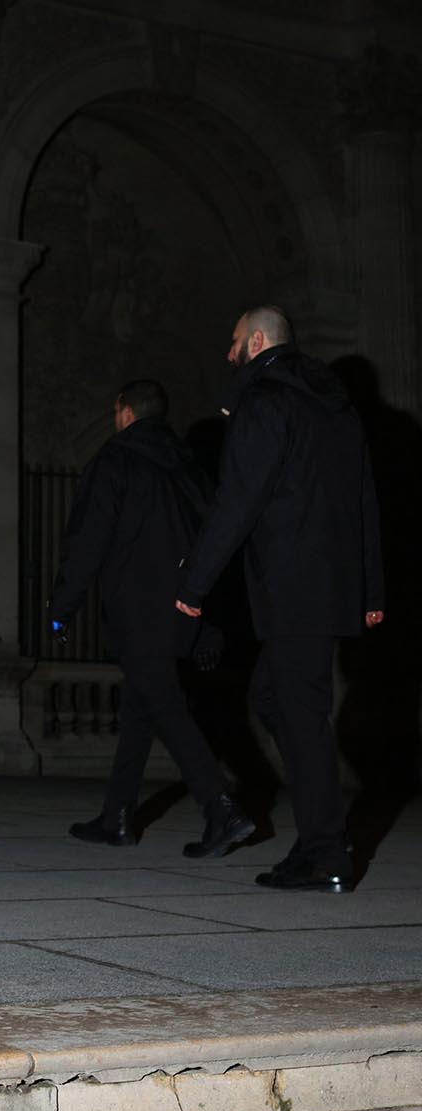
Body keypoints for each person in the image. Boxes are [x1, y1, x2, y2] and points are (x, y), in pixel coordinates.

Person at [176, 306, 384, 892]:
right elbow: (364, 498)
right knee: (276, 698)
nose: (229, 353)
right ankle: (324, 835)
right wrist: (370, 587)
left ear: (259, 341)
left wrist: (194, 584)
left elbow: (237, 501)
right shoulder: (335, 408)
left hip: (295, 588)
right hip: (329, 585)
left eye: (235, 340)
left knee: (300, 713)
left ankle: (326, 854)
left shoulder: (267, 403)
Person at [48, 380, 254, 857]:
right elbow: (214, 543)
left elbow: (87, 542)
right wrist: (209, 621)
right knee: (141, 711)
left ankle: (221, 808)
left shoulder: (115, 461)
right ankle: (117, 817)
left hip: (137, 609)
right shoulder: (189, 469)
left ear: (123, 411)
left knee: (165, 705)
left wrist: (63, 607)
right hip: (184, 607)